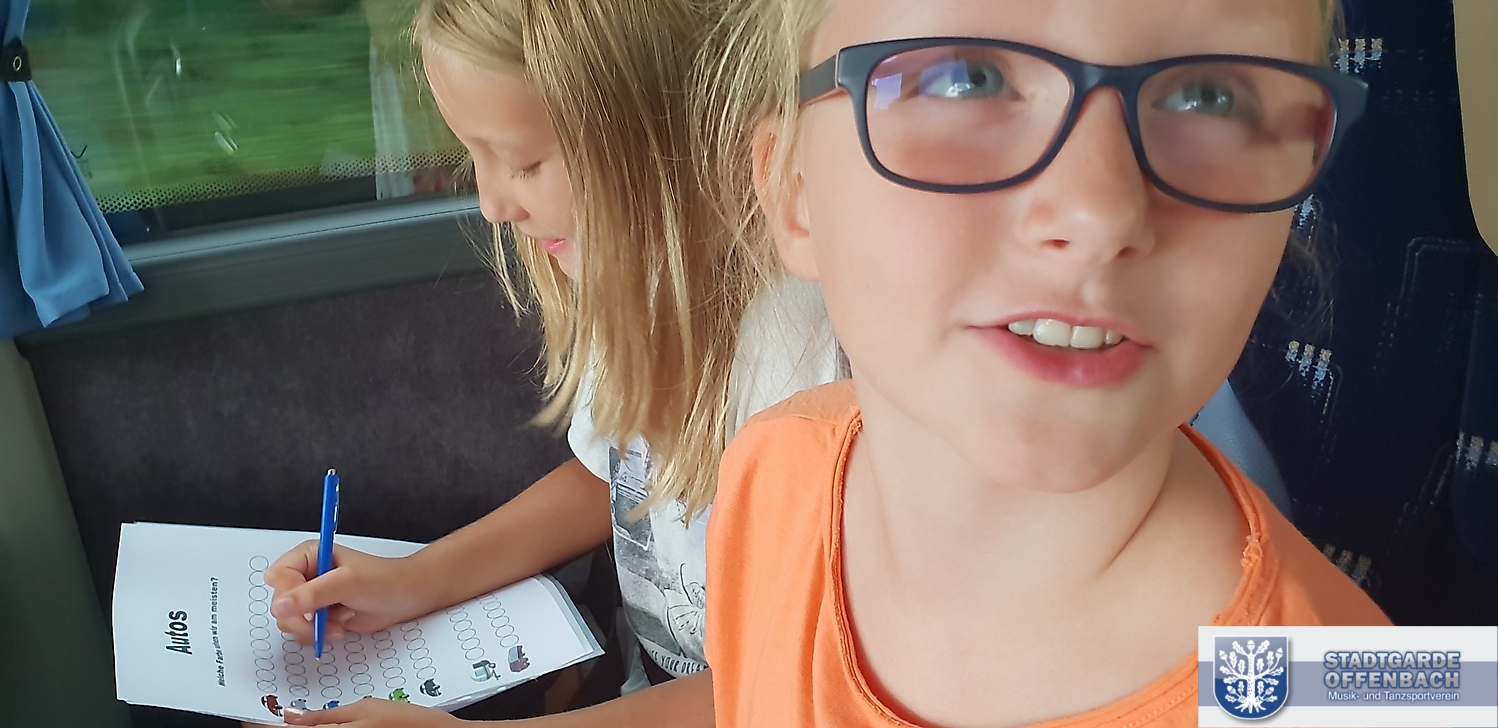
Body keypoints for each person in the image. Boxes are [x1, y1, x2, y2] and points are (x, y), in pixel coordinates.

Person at [696, 0, 1393, 725]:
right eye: (966, 78)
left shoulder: (1354, 697)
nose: (1099, 212)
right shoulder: (769, 477)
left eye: (1210, 97)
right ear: (794, 192)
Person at [267, 0, 839, 725]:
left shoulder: (804, 358)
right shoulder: (634, 281)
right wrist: (413, 581)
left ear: (660, 135)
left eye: (523, 163)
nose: (491, 204)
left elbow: (783, 684)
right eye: (471, 156)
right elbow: (614, 479)